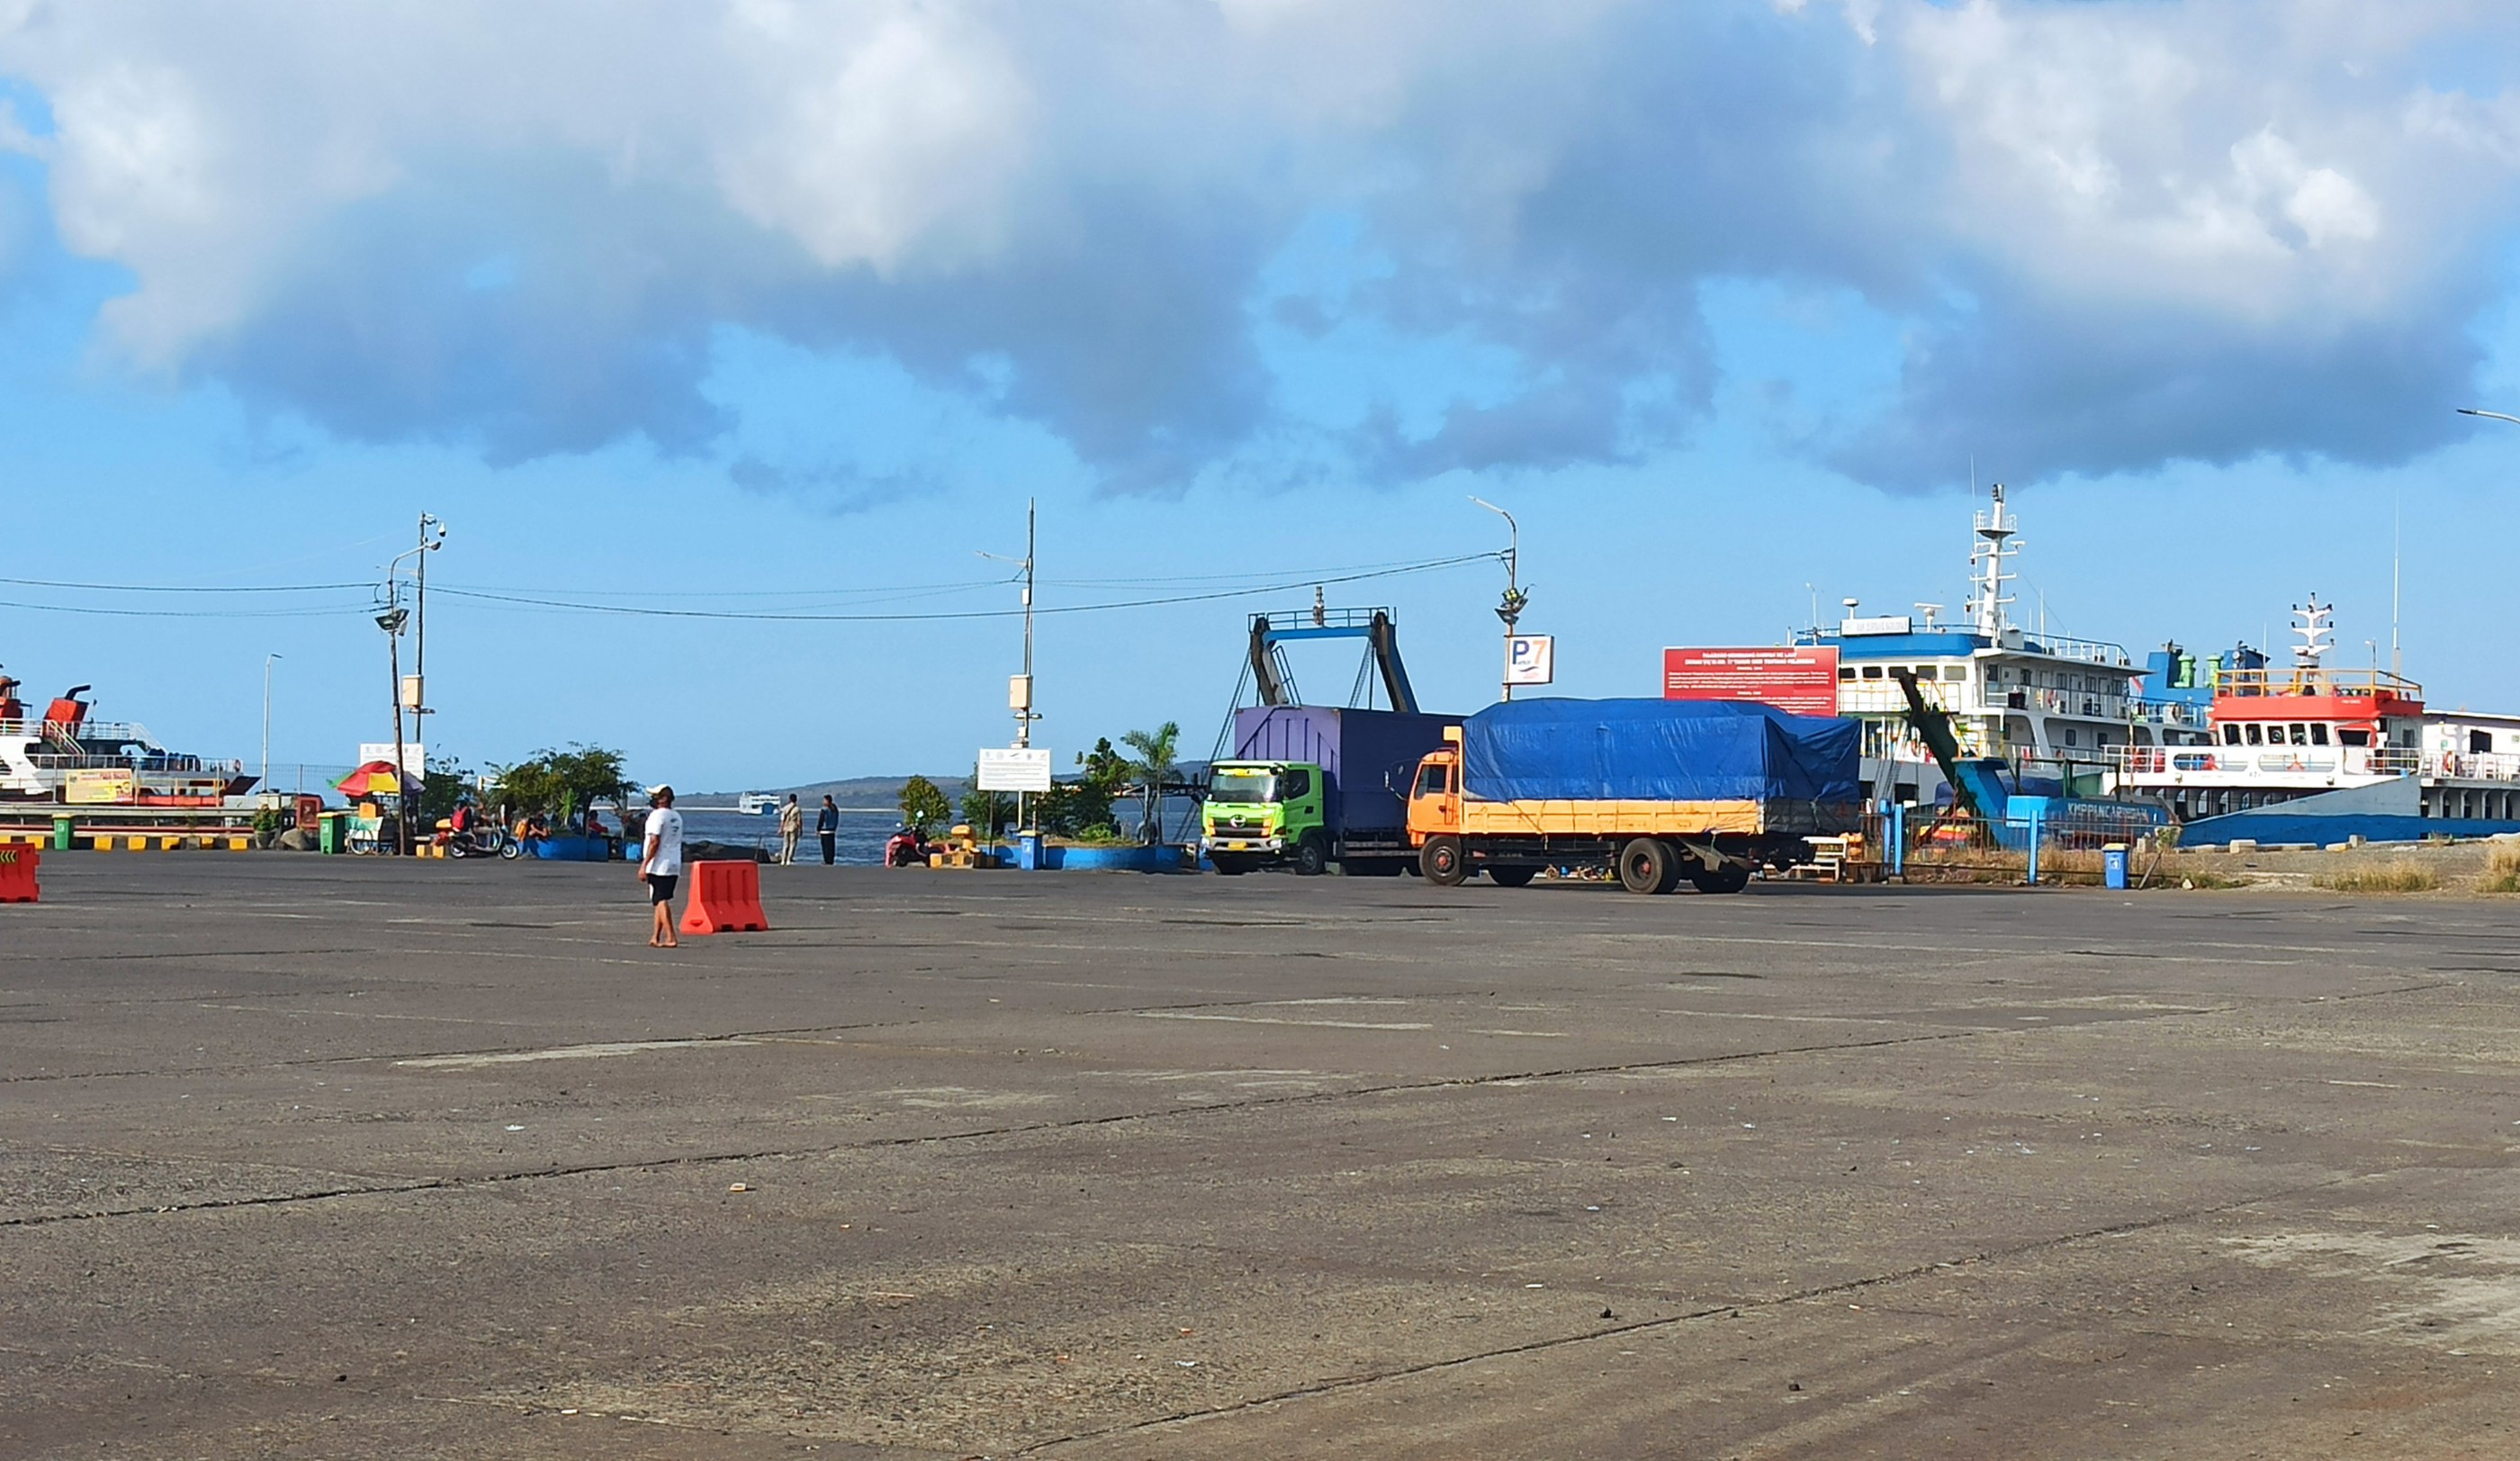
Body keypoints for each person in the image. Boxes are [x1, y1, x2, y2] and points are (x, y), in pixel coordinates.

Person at [639, 784, 684, 948]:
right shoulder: (677, 817)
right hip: (673, 862)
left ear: (663, 799)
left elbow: (654, 841)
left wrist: (644, 864)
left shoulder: (657, 816)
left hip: (659, 864)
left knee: (660, 899)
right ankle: (656, 936)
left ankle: (671, 936)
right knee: (658, 899)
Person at [778, 793, 804, 865]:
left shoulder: (785, 808)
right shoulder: (797, 809)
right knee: (792, 844)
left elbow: (782, 820)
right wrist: (801, 829)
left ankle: (783, 860)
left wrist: (781, 828)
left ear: (789, 799)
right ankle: (789, 859)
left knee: (785, 844)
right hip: (793, 827)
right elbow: (799, 820)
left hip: (786, 827)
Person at [816, 794, 839, 866]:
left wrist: (818, 829)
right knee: (831, 846)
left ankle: (827, 860)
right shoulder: (835, 809)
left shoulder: (824, 809)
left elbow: (821, 820)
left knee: (825, 846)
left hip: (825, 830)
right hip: (832, 830)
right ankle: (831, 860)